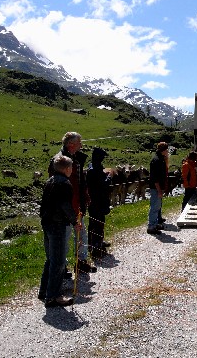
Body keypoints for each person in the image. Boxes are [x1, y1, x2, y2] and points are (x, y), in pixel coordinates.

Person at [48, 132, 96, 273]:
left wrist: (85, 195)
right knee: (65, 238)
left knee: (81, 234)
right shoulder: (59, 161)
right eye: (79, 142)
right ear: (71, 144)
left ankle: (81, 262)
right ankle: (61, 268)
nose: (81, 145)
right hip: (66, 207)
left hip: (78, 205)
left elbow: (81, 181)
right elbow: (54, 184)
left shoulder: (77, 159)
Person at [38, 154, 79, 308]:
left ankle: (44, 291)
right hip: (57, 225)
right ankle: (53, 297)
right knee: (59, 262)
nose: (72, 170)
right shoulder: (65, 184)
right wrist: (74, 221)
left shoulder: (50, 181)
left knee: (50, 259)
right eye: (71, 167)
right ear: (67, 168)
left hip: (47, 223)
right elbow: (65, 205)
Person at [86, 148, 112, 260]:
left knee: (97, 222)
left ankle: (96, 242)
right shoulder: (94, 170)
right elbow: (101, 185)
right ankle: (96, 246)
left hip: (97, 200)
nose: (103, 159)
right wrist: (109, 178)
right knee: (97, 223)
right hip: (97, 200)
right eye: (102, 157)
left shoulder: (93, 167)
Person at [147, 142, 169, 235]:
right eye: (166, 149)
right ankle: (151, 226)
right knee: (154, 206)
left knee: (157, 206)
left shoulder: (161, 159)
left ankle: (155, 223)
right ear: (163, 150)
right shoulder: (156, 160)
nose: (167, 151)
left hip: (159, 187)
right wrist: (159, 190)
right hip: (156, 187)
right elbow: (154, 177)